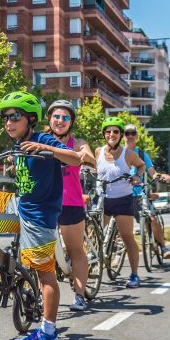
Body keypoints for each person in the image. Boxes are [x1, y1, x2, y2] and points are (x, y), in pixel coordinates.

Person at [0, 91, 82, 340]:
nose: (8, 122)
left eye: (15, 117)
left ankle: (48, 333)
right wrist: (13, 161)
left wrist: (46, 148)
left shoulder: (42, 138)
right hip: (20, 206)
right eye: (5, 118)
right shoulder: (18, 144)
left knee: (46, 277)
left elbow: (75, 158)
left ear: (30, 119)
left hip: (39, 216)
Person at [45, 99, 96, 312]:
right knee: (41, 253)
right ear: (49, 119)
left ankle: (79, 295)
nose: (60, 120)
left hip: (70, 203)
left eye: (65, 117)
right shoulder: (42, 139)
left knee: (76, 250)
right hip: (45, 201)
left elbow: (91, 160)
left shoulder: (77, 143)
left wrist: (84, 156)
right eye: (56, 116)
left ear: (71, 122)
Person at [96, 117, 147, 288]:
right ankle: (93, 261)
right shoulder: (98, 152)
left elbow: (141, 166)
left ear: (120, 135)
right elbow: (89, 165)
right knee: (93, 235)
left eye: (116, 131)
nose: (112, 134)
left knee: (127, 237)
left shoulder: (129, 154)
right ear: (104, 134)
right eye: (108, 131)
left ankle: (134, 275)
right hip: (103, 200)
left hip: (123, 200)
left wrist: (137, 176)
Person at [123, 125, 170, 259]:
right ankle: (117, 253)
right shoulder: (118, 153)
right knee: (117, 223)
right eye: (126, 133)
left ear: (137, 137)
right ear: (122, 136)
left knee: (151, 218)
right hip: (122, 194)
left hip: (139, 194)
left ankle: (163, 247)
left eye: (132, 133)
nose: (129, 136)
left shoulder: (141, 154)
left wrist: (161, 176)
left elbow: (152, 172)